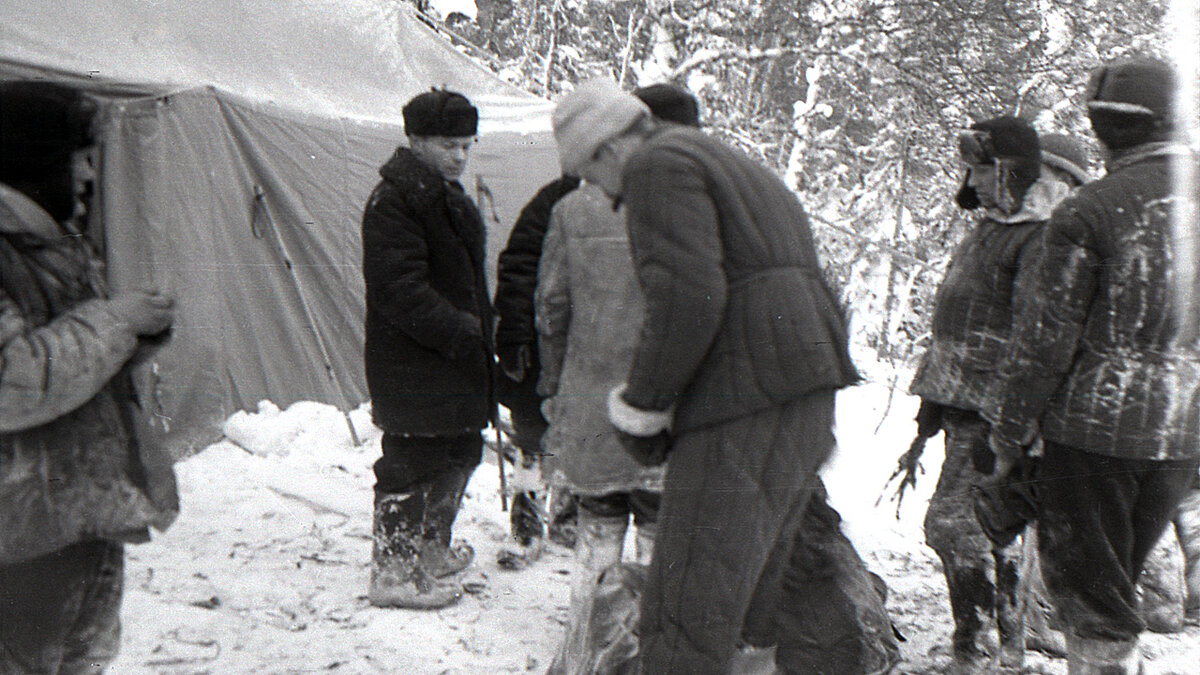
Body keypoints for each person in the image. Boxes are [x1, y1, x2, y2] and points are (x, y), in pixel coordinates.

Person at [552, 78, 900, 674]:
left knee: (690, 598)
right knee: (755, 591)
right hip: (801, 387)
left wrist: (643, 404)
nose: (606, 195)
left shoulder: (656, 166)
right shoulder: (726, 161)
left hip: (741, 398)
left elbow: (687, 296)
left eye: (591, 175)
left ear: (607, 149)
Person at [988, 56, 1200, 674]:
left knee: (1092, 602)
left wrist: (1007, 435)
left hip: (1093, 436)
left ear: (1102, 129)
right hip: (1183, 436)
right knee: (1117, 583)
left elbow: (1043, 341)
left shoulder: (1089, 210)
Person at [1, 80, 178, 672]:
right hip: (15, 544)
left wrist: (131, 337)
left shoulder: (50, 244)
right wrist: (113, 320)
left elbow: (66, 364)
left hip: (75, 523)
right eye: (75, 159)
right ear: (30, 163)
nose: (86, 177)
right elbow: (8, 382)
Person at [537, 82, 699, 675]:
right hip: (668, 410)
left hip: (591, 405)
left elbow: (550, 307)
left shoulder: (572, 209)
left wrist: (554, 387)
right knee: (661, 545)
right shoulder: (695, 206)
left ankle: (582, 656)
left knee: (595, 541)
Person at [907, 116, 1072, 672]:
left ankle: (973, 651)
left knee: (955, 527)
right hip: (965, 405)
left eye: (979, 169)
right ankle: (1007, 646)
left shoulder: (1038, 238)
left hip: (995, 414)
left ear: (1007, 171)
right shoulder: (992, 229)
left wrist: (1013, 426)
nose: (970, 181)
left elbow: (1037, 338)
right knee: (998, 532)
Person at [360, 88, 493, 609]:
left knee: (461, 450)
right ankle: (393, 572)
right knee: (411, 461)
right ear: (415, 140)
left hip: (456, 360)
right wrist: (462, 330)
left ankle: (429, 548)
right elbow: (399, 289)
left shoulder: (447, 196)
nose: (460, 156)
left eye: (466, 145)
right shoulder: (395, 201)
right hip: (414, 362)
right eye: (448, 145)